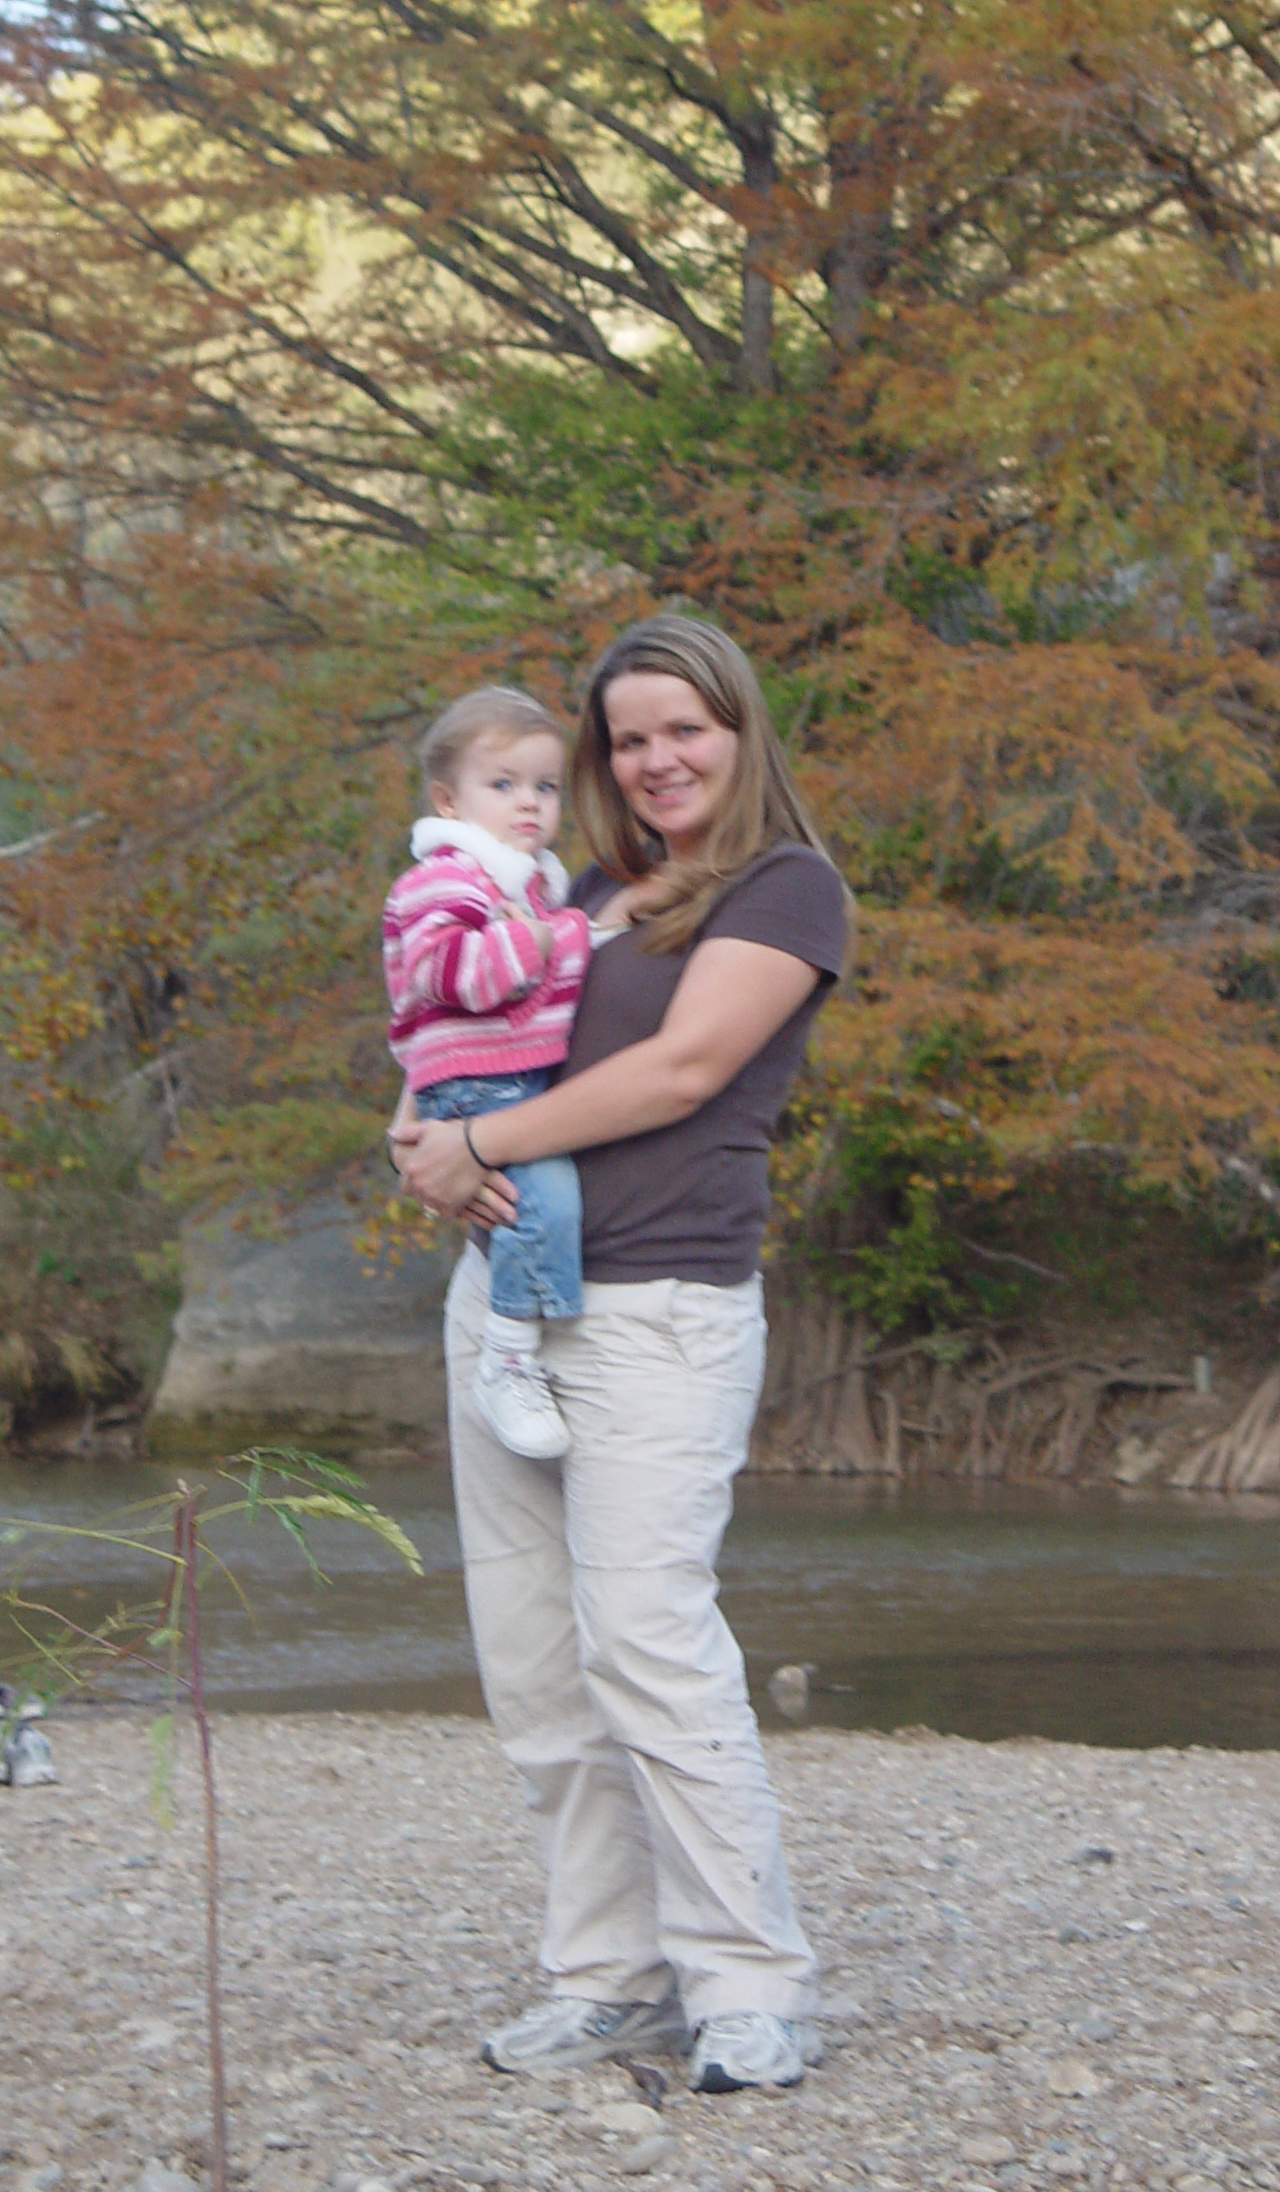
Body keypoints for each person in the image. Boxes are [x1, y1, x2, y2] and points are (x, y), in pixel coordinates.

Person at [396, 613, 853, 2096]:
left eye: (685, 729)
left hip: (661, 1317)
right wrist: (422, 1134)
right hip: (506, 1307)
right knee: (538, 1670)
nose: (656, 759)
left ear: (739, 730)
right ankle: (611, 1980)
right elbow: (472, 1044)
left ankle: (749, 1987)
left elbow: (683, 1069)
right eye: (629, 737)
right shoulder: (576, 887)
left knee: (650, 1648)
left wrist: (475, 1142)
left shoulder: (788, 889)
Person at [383, 687, 594, 1457]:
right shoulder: (447, 877)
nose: (529, 805)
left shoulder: (527, 882)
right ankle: (507, 1356)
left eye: (545, 787)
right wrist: (546, 942)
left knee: (540, 1197)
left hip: (513, 1075)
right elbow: (448, 976)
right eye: (503, 786)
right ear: (449, 798)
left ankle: (517, 1343)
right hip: (477, 1082)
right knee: (542, 1202)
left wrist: (554, 933)